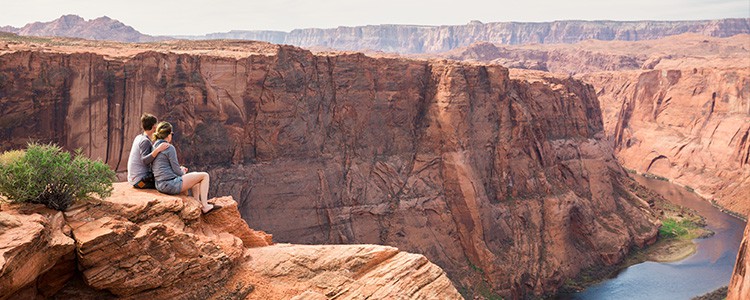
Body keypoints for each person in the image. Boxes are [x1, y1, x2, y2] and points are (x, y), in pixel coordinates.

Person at [151, 121, 220, 214]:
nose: (172, 136)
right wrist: (182, 171)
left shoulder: (155, 146)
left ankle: (197, 202)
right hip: (170, 184)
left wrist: (179, 170)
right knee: (205, 176)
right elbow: (176, 170)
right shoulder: (169, 148)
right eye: (171, 133)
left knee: (196, 176)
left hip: (160, 184)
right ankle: (205, 206)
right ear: (168, 134)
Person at [127, 113, 171, 189]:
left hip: (135, 179)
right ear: (154, 127)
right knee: (166, 182)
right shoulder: (145, 141)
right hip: (140, 182)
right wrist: (158, 149)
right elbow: (145, 160)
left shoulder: (139, 137)